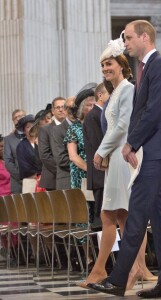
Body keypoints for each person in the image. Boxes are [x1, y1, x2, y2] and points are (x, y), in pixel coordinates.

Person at [88, 20, 161, 298]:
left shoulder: (159, 65)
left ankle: (118, 279)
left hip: (154, 149)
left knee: (137, 213)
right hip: (152, 149)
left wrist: (131, 143)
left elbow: (153, 111)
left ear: (144, 37)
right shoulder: (145, 68)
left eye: (128, 38)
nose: (124, 42)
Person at [80, 35, 155, 291]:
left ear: (122, 65)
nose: (105, 69)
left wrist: (100, 153)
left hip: (123, 159)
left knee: (116, 215)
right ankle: (128, 268)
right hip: (117, 159)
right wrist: (105, 154)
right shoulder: (116, 93)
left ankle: (107, 269)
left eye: (109, 64)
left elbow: (123, 126)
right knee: (118, 215)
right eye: (102, 66)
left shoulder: (128, 90)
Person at [64, 88, 96, 269]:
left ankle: (102, 255)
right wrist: (90, 170)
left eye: (94, 104)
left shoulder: (97, 124)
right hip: (81, 176)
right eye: (88, 105)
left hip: (97, 174)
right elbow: (73, 156)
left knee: (99, 214)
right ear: (81, 108)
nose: (92, 107)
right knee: (85, 216)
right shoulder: (74, 129)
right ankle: (88, 257)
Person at [82, 83, 109, 226]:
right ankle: (104, 248)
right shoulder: (93, 115)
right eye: (110, 94)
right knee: (101, 217)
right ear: (100, 95)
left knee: (109, 215)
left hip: (104, 171)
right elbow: (98, 143)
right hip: (100, 171)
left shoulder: (102, 114)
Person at [38, 98, 66, 191]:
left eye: (63, 107)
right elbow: (45, 155)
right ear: (53, 111)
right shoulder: (45, 130)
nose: (61, 109)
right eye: (58, 107)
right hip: (52, 178)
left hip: (71, 177)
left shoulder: (73, 127)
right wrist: (62, 171)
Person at [52, 96, 76, 190]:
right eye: (69, 108)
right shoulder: (57, 130)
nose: (72, 111)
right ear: (65, 111)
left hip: (85, 178)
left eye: (75, 108)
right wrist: (82, 165)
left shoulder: (84, 126)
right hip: (67, 179)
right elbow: (61, 159)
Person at [3, 109, 26, 193]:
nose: (17, 119)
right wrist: (21, 177)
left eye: (20, 116)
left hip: (36, 181)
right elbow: (8, 161)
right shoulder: (8, 139)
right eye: (15, 117)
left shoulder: (34, 135)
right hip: (17, 183)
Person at [15, 114, 42, 181]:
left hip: (47, 179)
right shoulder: (21, 146)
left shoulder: (43, 141)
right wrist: (39, 174)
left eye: (33, 125)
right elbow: (24, 166)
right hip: (30, 179)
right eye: (28, 127)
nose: (31, 128)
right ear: (24, 130)